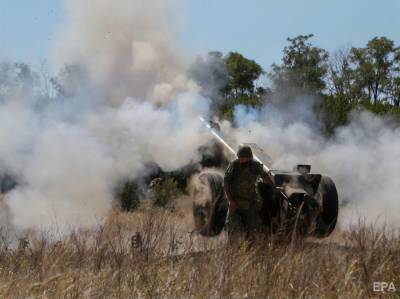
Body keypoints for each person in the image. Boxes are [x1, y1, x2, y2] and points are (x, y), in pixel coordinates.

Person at [224, 145, 275, 243]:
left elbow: (265, 177)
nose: (241, 160)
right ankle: (232, 250)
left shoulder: (255, 166)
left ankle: (249, 251)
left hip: (250, 203)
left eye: (244, 158)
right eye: (240, 157)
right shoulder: (233, 165)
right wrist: (231, 201)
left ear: (249, 157)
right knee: (232, 227)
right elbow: (226, 183)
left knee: (251, 230)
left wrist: (274, 187)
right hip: (236, 202)